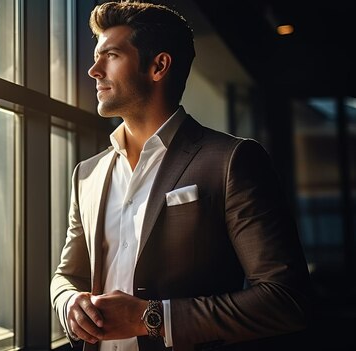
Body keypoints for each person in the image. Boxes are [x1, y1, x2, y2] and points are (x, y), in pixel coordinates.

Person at [50, 2, 311, 351]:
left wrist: (151, 318)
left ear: (158, 66)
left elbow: (286, 300)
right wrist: (69, 303)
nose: (94, 70)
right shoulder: (87, 173)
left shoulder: (232, 160)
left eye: (110, 55)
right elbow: (67, 275)